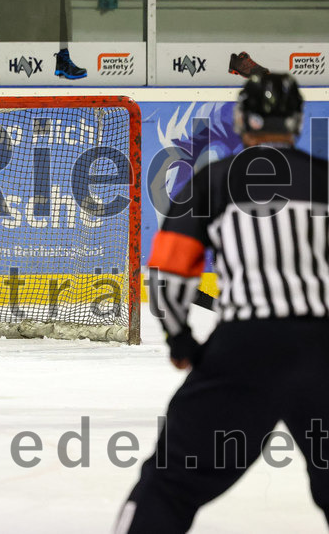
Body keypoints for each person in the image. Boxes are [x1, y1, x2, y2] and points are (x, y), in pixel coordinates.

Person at [116, 73, 329, 532]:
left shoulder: (212, 180)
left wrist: (180, 340)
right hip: (321, 348)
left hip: (243, 350)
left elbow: (168, 276)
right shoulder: (324, 178)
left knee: (169, 483)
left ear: (241, 121)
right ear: (297, 122)